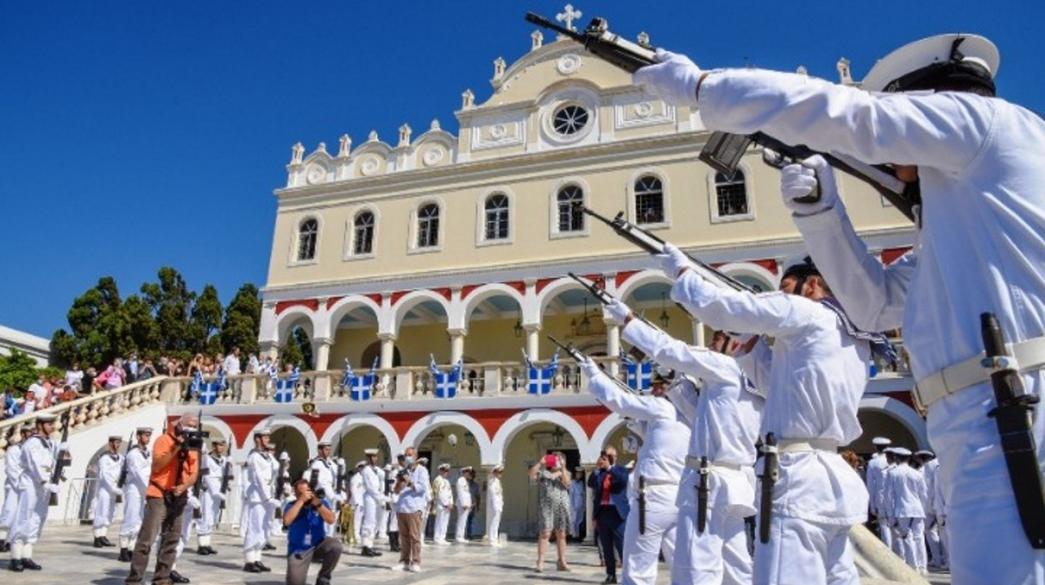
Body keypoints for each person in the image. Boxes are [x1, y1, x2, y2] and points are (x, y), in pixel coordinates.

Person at [635, 34, 1044, 585]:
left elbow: (856, 117)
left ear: (927, 107)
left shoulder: (990, 124)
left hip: (1014, 413)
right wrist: (821, 213)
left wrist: (702, 88)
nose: (892, 164)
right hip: (980, 422)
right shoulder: (957, 224)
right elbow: (874, 305)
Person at [658, 249, 872, 585]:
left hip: (796, 476)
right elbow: (780, 385)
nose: (781, 295)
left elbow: (722, 308)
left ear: (812, 285)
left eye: (786, 287)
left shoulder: (806, 311)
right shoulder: (851, 336)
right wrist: (748, 350)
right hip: (831, 478)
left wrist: (682, 272)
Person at [611, 300, 763, 585]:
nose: (714, 339)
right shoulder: (753, 379)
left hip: (711, 483)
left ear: (739, 342)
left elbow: (673, 351)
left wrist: (631, 321)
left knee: (697, 566)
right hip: (735, 483)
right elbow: (698, 415)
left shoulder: (724, 368)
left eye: (721, 334)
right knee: (736, 566)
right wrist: (676, 383)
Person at [581, 355, 690, 585]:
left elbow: (619, 400)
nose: (655, 391)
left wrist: (594, 374)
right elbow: (652, 437)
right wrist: (634, 418)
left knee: (637, 570)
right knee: (682, 566)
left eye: (659, 387)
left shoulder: (662, 408)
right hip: (678, 497)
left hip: (652, 497)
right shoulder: (690, 416)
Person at [124, 413, 200, 585]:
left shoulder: (194, 445)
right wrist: (177, 447)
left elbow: (194, 472)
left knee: (172, 539)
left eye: (195, 425)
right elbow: (158, 465)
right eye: (189, 424)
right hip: (159, 494)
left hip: (179, 495)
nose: (192, 428)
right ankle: (134, 579)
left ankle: (162, 577)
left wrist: (184, 486)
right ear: (180, 425)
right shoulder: (164, 440)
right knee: (147, 539)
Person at [8, 413, 65, 572]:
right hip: (31, 485)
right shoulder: (32, 443)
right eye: (48, 424)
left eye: (53, 423)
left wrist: (63, 455)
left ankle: (26, 556)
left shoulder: (50, 443)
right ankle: (15, 557)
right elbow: (35, 465)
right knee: (24, 517)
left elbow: (52, 464)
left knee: (37, 519)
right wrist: (44, 482)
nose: (52, 427)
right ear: (40, 425)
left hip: (44, 487)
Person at [282, 479, 342, 585]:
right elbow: (286, 521)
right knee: (295, 582)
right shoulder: (292, 505)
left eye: (308, 491)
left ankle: (324, 578)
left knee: (335, 546)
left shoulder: (320, 503)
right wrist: (301, 501)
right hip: (299, 550)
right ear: (296, 493)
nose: (307, 495)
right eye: (302, 493)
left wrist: (318, 505)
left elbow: (331, 520)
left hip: (318, 545)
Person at [883, 447, 928, 574]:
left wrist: (890, 516)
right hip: (917, 509)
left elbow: (888, 497)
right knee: (919, 538)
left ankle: (913, 566)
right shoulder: (917, 473)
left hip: (902, 510)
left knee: (907, 537)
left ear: (896, 458)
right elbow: (923, 494)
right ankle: (923, 566)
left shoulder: (892, 473)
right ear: (909, 458)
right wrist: (923, 509)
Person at [587, 448, 628, 583]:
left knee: (622, 545)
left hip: (617, 513)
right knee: (606, 547)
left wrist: (610, 468)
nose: (607, 458)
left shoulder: (620, 470)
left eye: (610, 456)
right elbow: (591, 484)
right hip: (603, 512)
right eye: (604, 456)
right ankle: (611, 575)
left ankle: (628, 575)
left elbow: (622, 481)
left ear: (615, 456)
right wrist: (598, 468)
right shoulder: (600, 473)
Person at [530, 452, 573, 574]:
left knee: (562, 534)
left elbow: (567, 483)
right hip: (546, 507)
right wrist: (540, 462)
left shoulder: (566, 472)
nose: (556, 462)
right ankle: (540, 562)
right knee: (545, 533)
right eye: (555, 459)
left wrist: (563, 468)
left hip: (561, 507)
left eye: (559, 459)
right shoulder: (543, 473)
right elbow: (531, 475)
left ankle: (562, 562)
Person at [242, 429, 277, 573]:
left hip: (267, 493)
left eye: (268, 436)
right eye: (264, 437)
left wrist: (270, 454)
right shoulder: (254, 456)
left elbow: (276, 467)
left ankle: (257, 558)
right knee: (255, 527)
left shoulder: (266, 456)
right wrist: (267, 497)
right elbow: (258, 479)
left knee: (264, 527)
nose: (268, 439)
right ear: (257, 439)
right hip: (258, 496)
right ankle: (249, 560)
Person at [393, 446, 431, 572]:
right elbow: (396, 490)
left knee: (414, 536)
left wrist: (409, 482)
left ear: (415, 456)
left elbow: (422, 488)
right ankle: (404, 561)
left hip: (414, 507)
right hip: (402, 507)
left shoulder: (422, 471)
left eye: (410, 455)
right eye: (406, 455)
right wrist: (399, 481)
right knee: (403, 537)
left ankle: (415, 561)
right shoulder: (404, 470)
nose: (408, 457)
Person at [119, 427, 153, 562]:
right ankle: (123, 549)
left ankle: (132, 548)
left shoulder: (148, 453)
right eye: (145, 435)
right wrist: (148, 488)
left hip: (144, 489)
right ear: (138, 436)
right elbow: (138, 473)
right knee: (130, 518)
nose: (148, 438)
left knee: (139, 520)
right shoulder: (133, 454)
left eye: (149, 435)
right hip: (134, 489)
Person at [0, 427, 32, 553]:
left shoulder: (30, 451)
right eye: (29, 433)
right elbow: (11, 470)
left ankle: (9, 541)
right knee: (9, 512)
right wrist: (21, 484)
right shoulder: (14, 449)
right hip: (15, 487)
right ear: (23, 434)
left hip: (27, 488)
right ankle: (1, 539)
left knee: (20, 515)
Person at [196, 438, 229, 555]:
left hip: (218, 491)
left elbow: (225, 476)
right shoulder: (207, 459)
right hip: (208, 492)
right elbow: (207, 477)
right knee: (205, 516)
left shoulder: (224, 460)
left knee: (213, 517)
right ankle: (201, 545)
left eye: (223, 445)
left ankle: (207, 543)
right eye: (219, 445)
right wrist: (215, 491)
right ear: (214, 446)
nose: (221, 448)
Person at [92, 435, 124, 548]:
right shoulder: (104, 458)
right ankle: (97, 537)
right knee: (101, 511)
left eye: (119, 442)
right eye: (116, 442)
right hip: (105, 489)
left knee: (111, 512)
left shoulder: (120, 458)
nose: (117, 445)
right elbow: (104, 475)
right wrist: (112, 487)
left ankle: (103, 535)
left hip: (115, 489)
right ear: (110, 443)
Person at [303, 441, 340, 537]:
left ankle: (329, 537)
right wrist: (332, 495)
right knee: (323, 519)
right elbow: (322, 483)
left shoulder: (329, 463)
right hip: (323, 495)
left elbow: (338, 475)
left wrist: (342, 467)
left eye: (329, 450)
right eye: (326, 449)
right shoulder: (317, 464)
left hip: (331, 493)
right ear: (320, 450)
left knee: (332, 518)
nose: (328, 452)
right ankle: (323, 539)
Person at [865, 436, 894, 547]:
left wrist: (872, 504)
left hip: (880, 498)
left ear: (875, 447)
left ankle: (888, 550)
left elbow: (870, 485)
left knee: (884, 526)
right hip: (893, 497)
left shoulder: (873, 463)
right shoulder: (893, 461)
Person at [360, 448, 387, 557]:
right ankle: (365, 547)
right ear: (367, 458)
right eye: (370, 457)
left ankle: (370, 545)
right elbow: (370, 487)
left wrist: (381, 497)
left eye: (374, 457)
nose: (373, 459)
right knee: (369, 522)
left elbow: (382, 482)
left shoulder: (378, 470)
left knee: (375, 522)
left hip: (377, 498)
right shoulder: (366, 470)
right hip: (370, 497)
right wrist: (381, 498)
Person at [431, 463, 453, 545]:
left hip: (447, 505)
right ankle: (437, 538)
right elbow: (439, 493)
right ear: (440, 471)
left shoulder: (447, 481)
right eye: (444, 470)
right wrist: (445, 504)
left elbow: (449, 493)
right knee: (439, 521)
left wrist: (450, 503)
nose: (446, 472)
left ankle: (442, 537)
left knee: (445, 522)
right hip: (441, 504)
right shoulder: (438, 480)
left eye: (447, 471)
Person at [486, 464, 504, 546]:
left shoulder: (497, 481)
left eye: (501, 472)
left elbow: (499, 494)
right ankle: (492, 539)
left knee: (496, 522)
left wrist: (500, 504)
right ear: (494, 472)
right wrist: (495, 506)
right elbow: (493, 495)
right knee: (493, 522)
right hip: (494, 505)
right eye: (499, 472)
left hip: (498, 505)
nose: (501, 474)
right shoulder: (492, 481)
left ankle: (495, 538)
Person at [453, 467, 473, 543]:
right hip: (462, 504)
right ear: (464, 472)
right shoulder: (460, 480)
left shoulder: (465, 481)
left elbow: (467, 494)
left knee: (463, 521)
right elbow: (460, 493)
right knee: (461, 520)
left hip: (466, 504)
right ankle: (458, 537)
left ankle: (461, 536)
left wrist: (469, 504)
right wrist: (464, 504)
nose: (469, 474)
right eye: (467, 472)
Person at [568, 467, 586, 541]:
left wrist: (584, 505)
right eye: (578, 473)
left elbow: (584, 495)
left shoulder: (582, 483)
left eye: (580, 474)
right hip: (574, 504)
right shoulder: (572, 482)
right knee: (573, 520)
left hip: (581, 504)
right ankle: (573, 535)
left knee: (579, 520)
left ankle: (577, 535)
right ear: (575, 474)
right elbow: (571, 494)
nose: (579, 475)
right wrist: (571, 505)